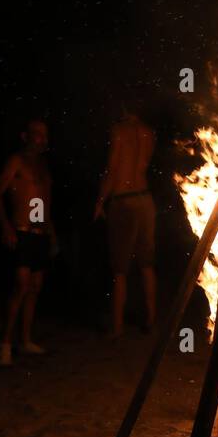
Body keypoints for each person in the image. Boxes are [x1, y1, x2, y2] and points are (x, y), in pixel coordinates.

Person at [0, 119, 55, 365]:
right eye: (37, 133)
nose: (42, 138)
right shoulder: (16, 161)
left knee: (35, 286)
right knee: (20, 285)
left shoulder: (43, 166)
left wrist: (51, 231)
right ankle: (5, 344)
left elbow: (46, 200)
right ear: (24, 135)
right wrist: (5, 226)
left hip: (40, 233)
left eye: (45, 134)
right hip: (20, 230)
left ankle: (25, 340)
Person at [93, 106, 157, 336]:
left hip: (124, 201)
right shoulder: (149, 132)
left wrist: (100, 201)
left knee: (120, 269)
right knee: (147, 265)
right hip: (146, 200)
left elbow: (112, 168)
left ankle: (117, 327)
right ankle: (150, 319)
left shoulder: (118, 131)